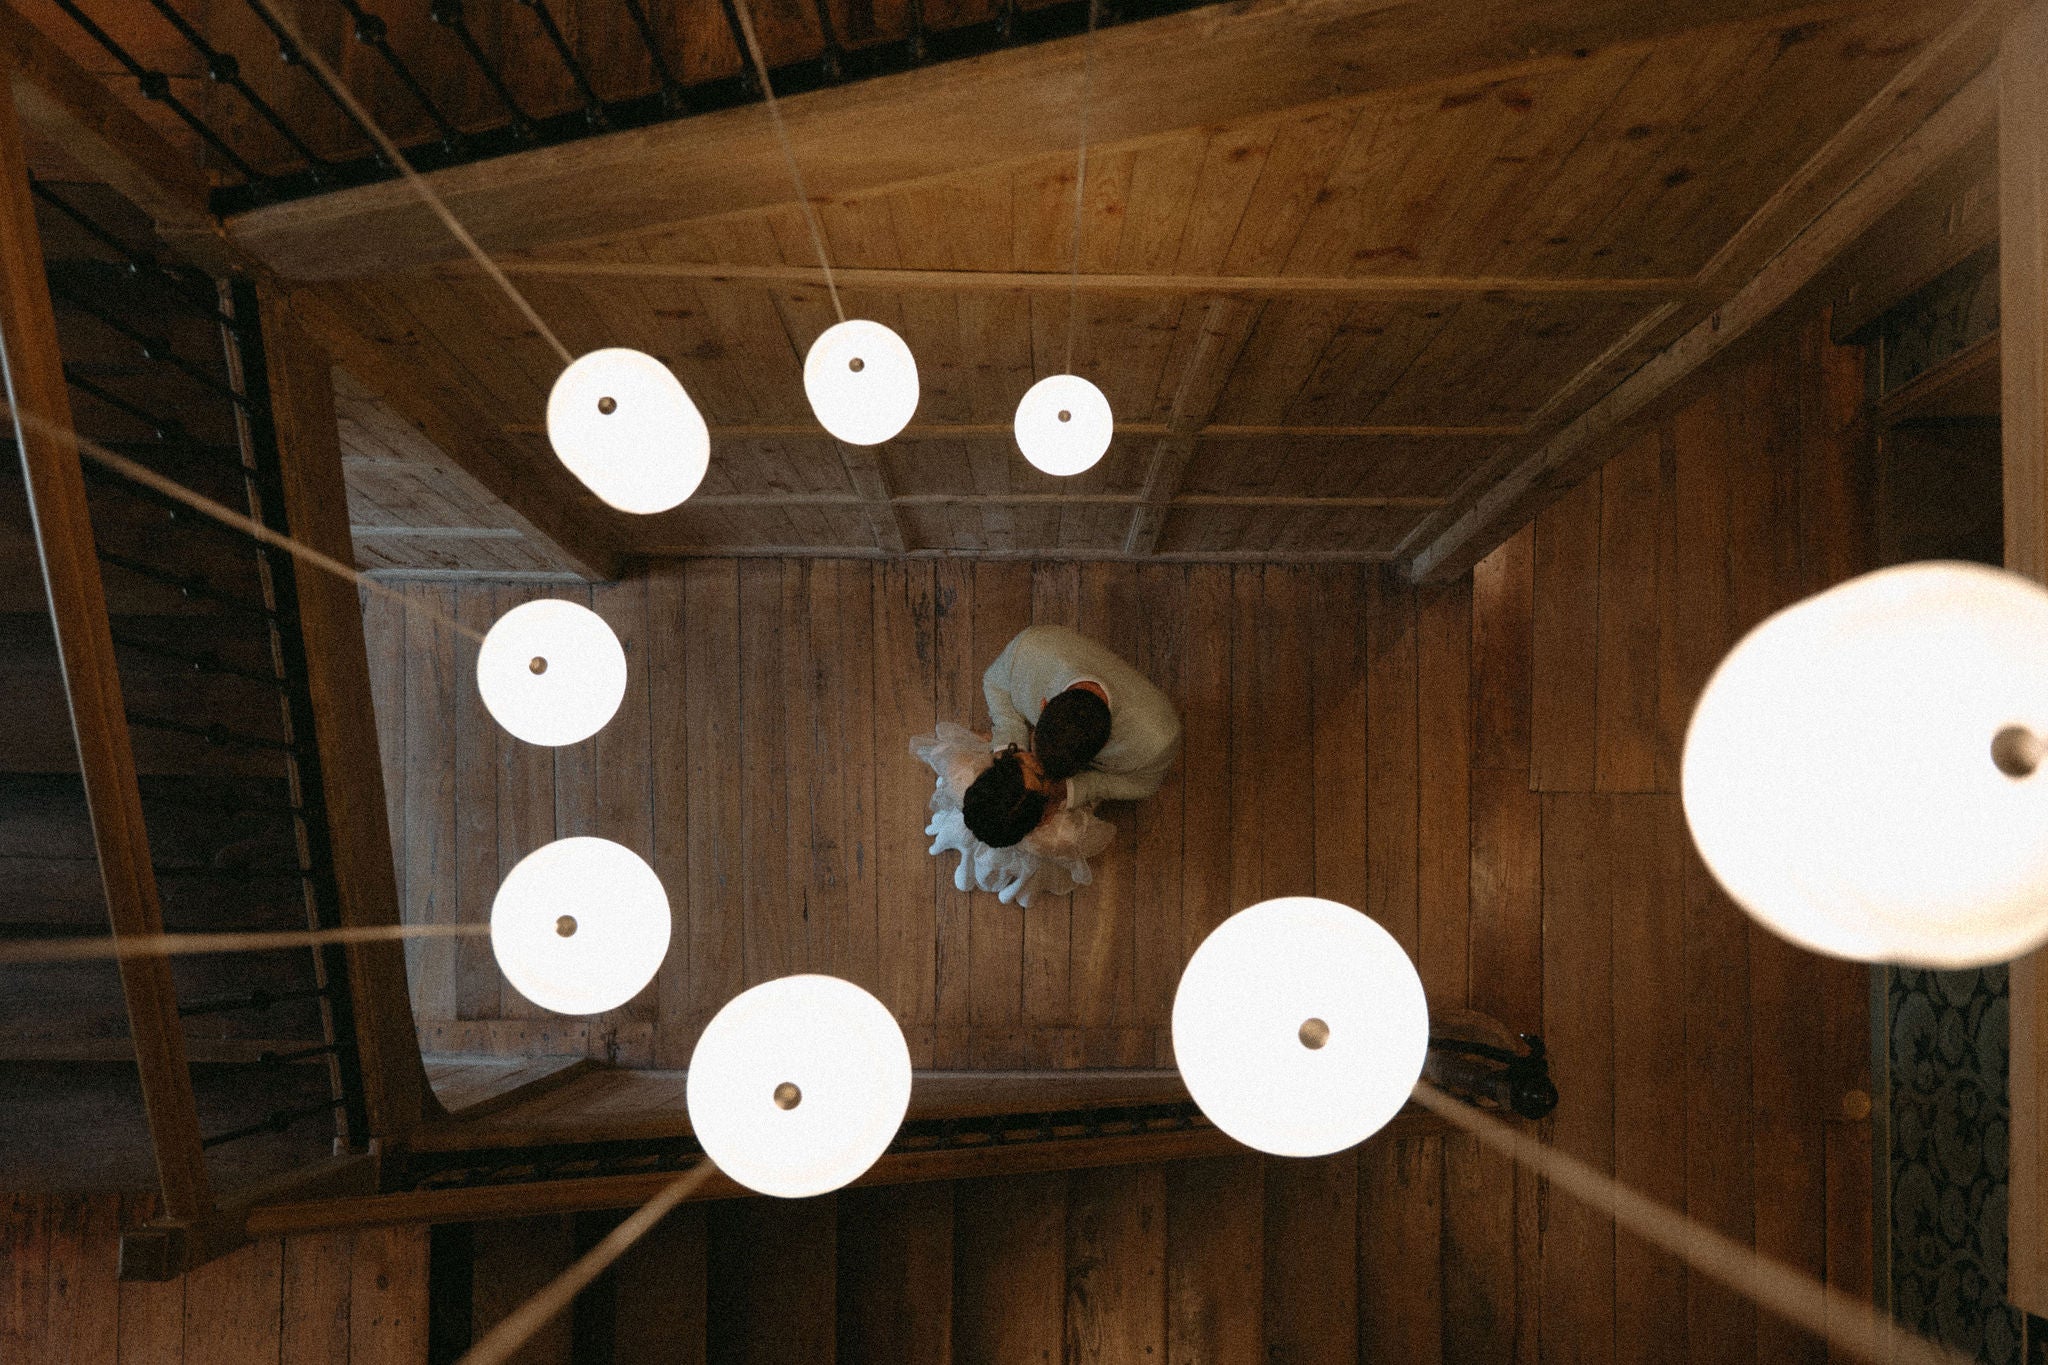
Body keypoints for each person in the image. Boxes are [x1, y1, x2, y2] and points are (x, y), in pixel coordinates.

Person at [961, 625, 1181, 850]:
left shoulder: (1158, 742)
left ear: (1103, 748)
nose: (1037, 764)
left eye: (1039, 774)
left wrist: (1068, 789)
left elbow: (1143, 785)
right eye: (1023, 756)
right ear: (1044, 705)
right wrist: (1009, 743)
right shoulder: (1028, 650)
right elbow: (995, 683)